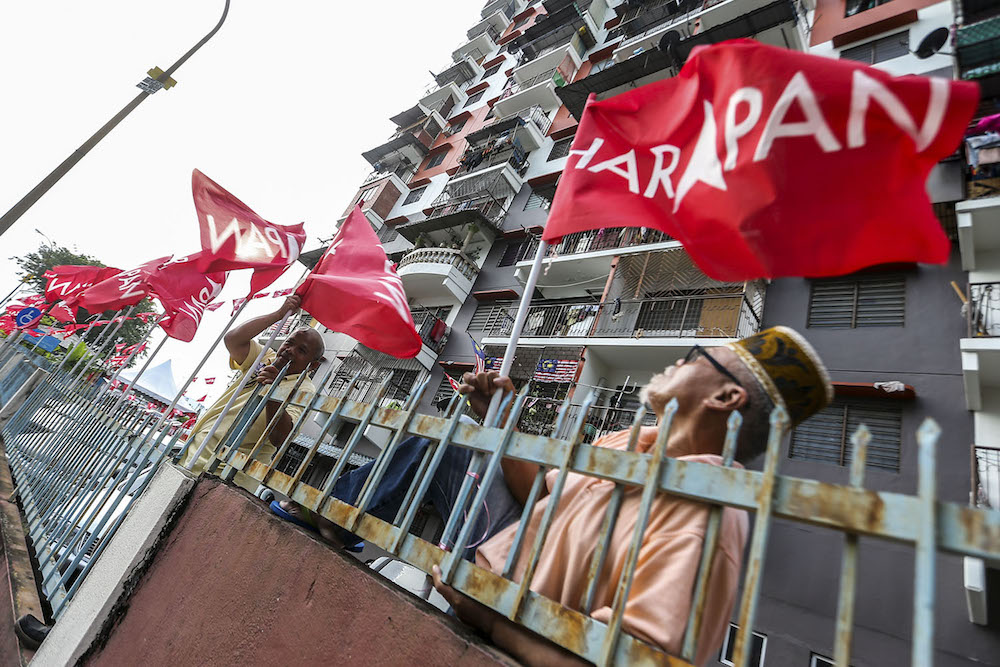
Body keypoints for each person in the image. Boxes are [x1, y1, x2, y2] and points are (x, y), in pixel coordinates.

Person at [274, 326, 832, 666]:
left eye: (696, 358)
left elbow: (631, 658)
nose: (679, 361)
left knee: (443, 453)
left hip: (506, 610)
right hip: (497, 566)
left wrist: (494, 621)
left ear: (727, 395)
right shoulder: (627, 442)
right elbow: (539, 492)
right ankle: (329, 517)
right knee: (445, 444)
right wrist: (494, 418)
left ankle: (325, 516)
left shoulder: (707, 519)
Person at [181, 295, 325, 493]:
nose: (289, 350)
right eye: (289, 342)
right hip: (193, 454)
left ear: (313, 365)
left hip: (227, 476)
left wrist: (273, 392)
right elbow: (233, 339)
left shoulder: (305, 390)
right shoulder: (267, 356)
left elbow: (280, 438)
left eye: (301, 350)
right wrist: (279, 314)